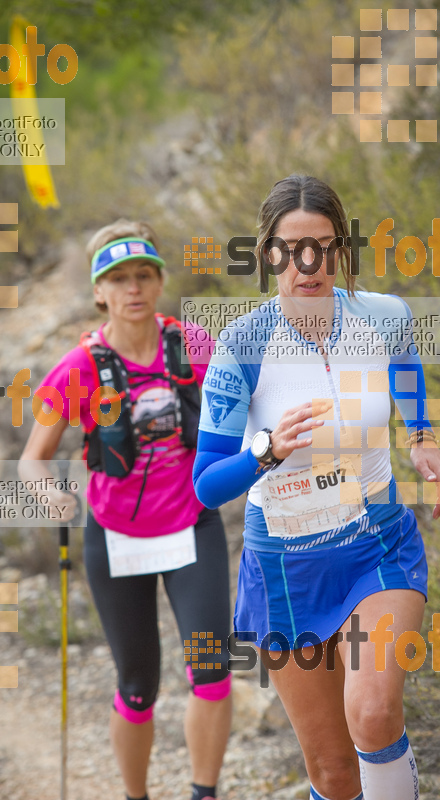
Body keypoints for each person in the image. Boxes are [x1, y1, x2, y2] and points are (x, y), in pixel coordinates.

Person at [193, 175, 440, 800]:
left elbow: (406, 372)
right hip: (286, 567)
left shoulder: (385, 316)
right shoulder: (241, 346)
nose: (307, 264)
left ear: (341, 250)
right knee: (333, 774)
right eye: (290, 250)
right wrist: (267, 451)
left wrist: (422, 437)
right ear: (267, 255)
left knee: (372, 712)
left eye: (322, 247)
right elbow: (206, 486)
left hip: (376, 545)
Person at [20, 220, 232, 800]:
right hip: (117, 537)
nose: (132, 288)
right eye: (118, 279)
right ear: (99, 292)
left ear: (160, 282)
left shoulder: (195, 345)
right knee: (138, 687)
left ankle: (203, 793)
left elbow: (247, 409)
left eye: (143, 275)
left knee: (212, 674)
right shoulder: (79, 367)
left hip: (194, 525)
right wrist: (52, 495)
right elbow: (32, 461)